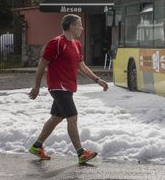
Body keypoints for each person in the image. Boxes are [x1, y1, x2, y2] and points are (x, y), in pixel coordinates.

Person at [28, 14, 108, 164]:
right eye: (79, 25)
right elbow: (42, 64)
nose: (82, 28)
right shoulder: (56, 43)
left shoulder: (77, 44)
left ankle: (37, 146)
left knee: (56, 118)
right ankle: (80, 153)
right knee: (72, 118)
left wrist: (97, 80)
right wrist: (37, 86)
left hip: (69, 87)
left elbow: (81, 66)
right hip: (58, 87)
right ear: (71, 26)